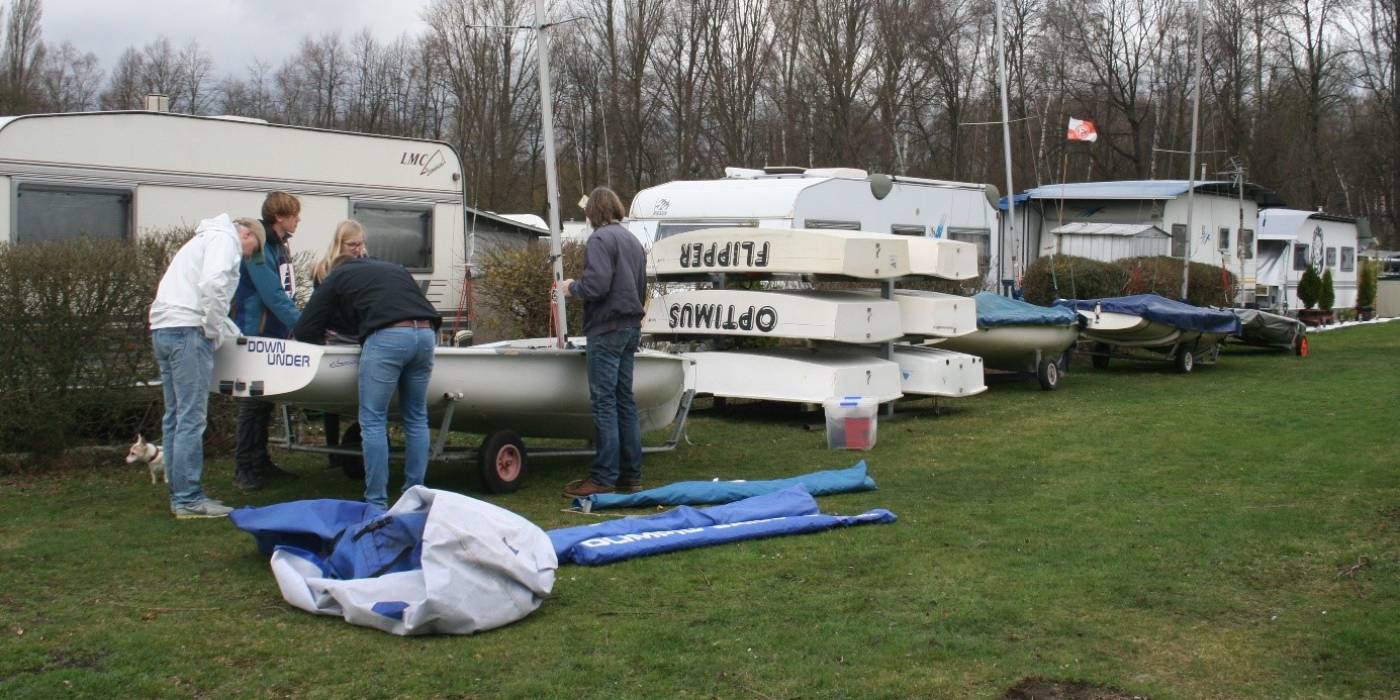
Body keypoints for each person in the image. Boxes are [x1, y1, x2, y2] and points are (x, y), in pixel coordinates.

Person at [293, 257, 440, 509]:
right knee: (416, 416)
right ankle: (416, 498)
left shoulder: (337, 276)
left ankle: (376, 501)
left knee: (373, 420)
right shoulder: (395, 267)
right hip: (426, 332)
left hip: (388, 336)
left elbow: (305, 328)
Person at [149, 215, 263, 519]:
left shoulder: (201, 239)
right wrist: (212, 330)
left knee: (175, 416)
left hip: (163, 329)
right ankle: (188, 499)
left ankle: (179, 494)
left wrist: (219, 327)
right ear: (247, 234)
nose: (249, 257)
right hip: (188, 332)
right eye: (253, 248)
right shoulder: (225, 240)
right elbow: (214, 285)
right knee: (191, 417)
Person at [560, 186, 648, 498]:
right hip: (631, 327)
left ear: (593, 213)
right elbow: (641, 287)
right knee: (625, 400)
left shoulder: (599, 239)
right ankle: (631, 476)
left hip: (607, 328)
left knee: (605, 402)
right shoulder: (633, 241)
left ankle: (603, 477)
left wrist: (573, 287)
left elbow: (596, 286)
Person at [230, 191, 302, 491]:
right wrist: (303, 325)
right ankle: (244, 468)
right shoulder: (259, 246)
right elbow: (271, 294)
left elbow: (286, 291)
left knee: (265, 401)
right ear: (279, 217)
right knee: (252, 402)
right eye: (294, 215)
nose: (298, 220)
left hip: (274, 332)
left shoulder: (279, 245)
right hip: (255, 332)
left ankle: (260, 462)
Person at [310, 220, 369, 457]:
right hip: (333, 335)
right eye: (352, 244)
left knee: (365, 391)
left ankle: (362, 443)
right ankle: (332, 449)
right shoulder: (322, 270)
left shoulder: (366, 265)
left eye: (360, 244)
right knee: (331, 397)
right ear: (340, 243)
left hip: (359, 334)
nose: (357, 249)